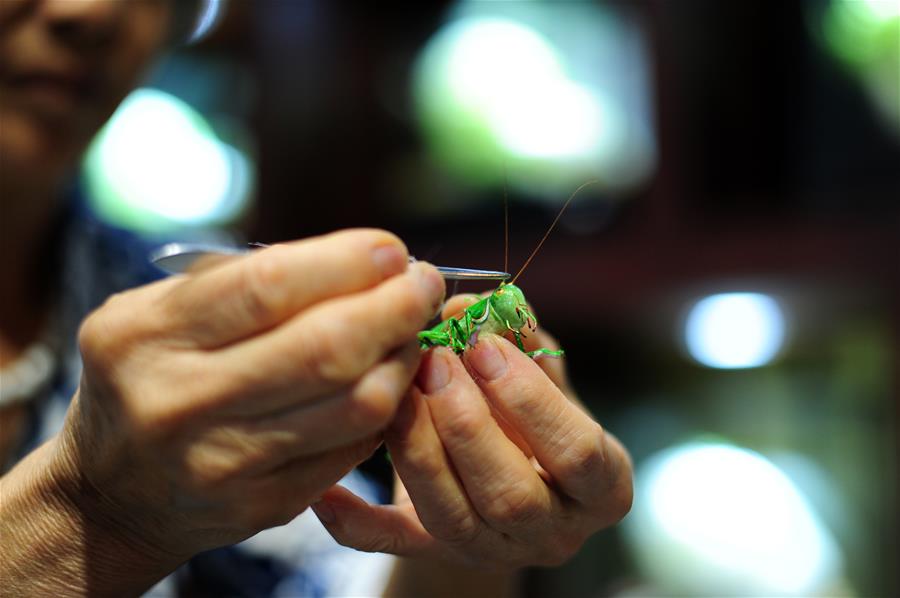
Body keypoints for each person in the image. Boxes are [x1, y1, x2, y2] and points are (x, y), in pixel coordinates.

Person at [0, 1, 633, 596]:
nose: (93, 11)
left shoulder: (172, 287)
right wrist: (87, 515)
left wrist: (469, 537)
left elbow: (336, 571)